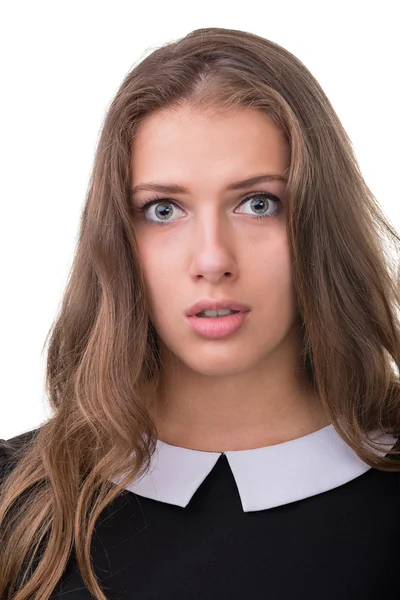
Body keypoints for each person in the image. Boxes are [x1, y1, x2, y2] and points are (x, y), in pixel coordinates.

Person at [1, 26, 400, 600]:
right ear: (117, 237)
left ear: (318, 220)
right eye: (164, 210)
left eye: (258, 204)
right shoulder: (16, 501)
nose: (212, 259)